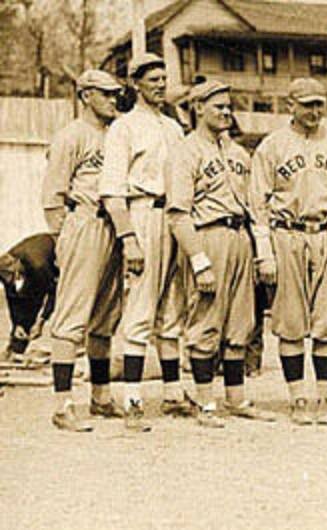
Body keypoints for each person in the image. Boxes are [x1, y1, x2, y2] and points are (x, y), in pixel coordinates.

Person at [166, 80, 274, 428]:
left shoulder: (239, 153)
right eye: (218, 107)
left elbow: (256, 206)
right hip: (207, 235)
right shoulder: (186, 151)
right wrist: (199, 261)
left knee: (241, 323)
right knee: (206, 322)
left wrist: (259, 251)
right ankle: (205, 403)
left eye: (229, 107)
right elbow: (178, 214)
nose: (226, 112)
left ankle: (236, 398)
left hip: (240, 235)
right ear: (198, 108)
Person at [250, 78, 327, 425]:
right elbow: (258, 204)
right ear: (290, 105)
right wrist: (264, 252)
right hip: (287, 234)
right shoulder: (272, 145)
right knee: (290, 322)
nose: (314, 112)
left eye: (319, 104)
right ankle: (298, 399)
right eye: (307, 104)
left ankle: (323, 398)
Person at [99, 53, 187, 431]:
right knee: (140, 307)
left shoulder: (174, 127)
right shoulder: (124, 127)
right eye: (153, 78)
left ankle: (173, 395)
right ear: (136, 84)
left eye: (164, 78)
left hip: (176, 216)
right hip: (143, 213)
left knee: (173, 308)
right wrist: (128, 238)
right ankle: (133, 400)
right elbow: (111, 191)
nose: (160, 84)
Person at [40, 69, 124, 431]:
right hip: (84, 219)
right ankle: (62, 405)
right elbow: (53, 195)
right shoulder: (71, 136)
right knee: (73, 314)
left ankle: (101, 396)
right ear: (86, 95)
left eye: (114, 94)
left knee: (106, 316)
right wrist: (64, 240)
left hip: (116, 225)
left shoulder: (118, 132)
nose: (112, 99)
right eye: (105, 93)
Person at [0, 234, 56, 366]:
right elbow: (12, 297)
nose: (12, 281)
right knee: (24, 295)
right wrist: (17, 324)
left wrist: (41, 321)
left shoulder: (39, 266)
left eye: (15, 277)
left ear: (17, 265)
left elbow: (54, 293)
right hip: (32, 261)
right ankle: (17, 348)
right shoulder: (4, 269)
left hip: (55, 254)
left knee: (34, 297)